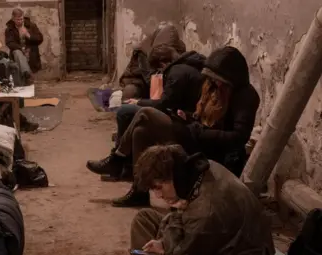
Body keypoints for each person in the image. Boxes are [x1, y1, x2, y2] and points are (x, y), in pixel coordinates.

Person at [87, 46, 259, 207]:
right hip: (192, 132)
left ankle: (117, 158)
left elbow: (238, 138)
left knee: (144, 113)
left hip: (205, 144)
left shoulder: (246, 97)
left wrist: (201, 132)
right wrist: (189, 117)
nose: (215, 83)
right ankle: (139, 191)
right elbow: (201, 116)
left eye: (219, 80)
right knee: (140, 132)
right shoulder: (214, 88)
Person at [128, 145, 276, 255]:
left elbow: (180, 251)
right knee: (144, 219)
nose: (158, 196)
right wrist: (175, 215)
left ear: (173, 177)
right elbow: (183, 224)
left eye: (159, 187)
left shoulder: (208, 210)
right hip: (212, 243)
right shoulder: (200, 169)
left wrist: (164, 244)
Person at [111, 45, 205, 179]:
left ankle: (117, 157)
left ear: (162, 64)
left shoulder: (177, 72)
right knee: (139, 131)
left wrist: (138, 102)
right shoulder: (184, 67)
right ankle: (134, 179)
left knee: (129, 111)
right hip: (181, 115)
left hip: (184, 122)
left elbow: (164, 103)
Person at [119, 23, 186, 100]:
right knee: (130, 92)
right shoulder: (144, 51)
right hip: (140, 81)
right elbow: (150, 78)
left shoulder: (178, 48)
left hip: (163, 77)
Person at [5, 8, 43, 84]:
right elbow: (9, 43)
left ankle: (27, 76)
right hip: (19, 53)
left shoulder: (31, 26)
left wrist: (28, 35)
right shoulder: (9, 29)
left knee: (27, 85)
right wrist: (21, 48)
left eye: (21, 19)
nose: (20, 21)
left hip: (30, 53)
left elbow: (40, 38)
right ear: (13, 19)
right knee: (17, 52)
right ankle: (27, 74)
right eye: (18, 20)